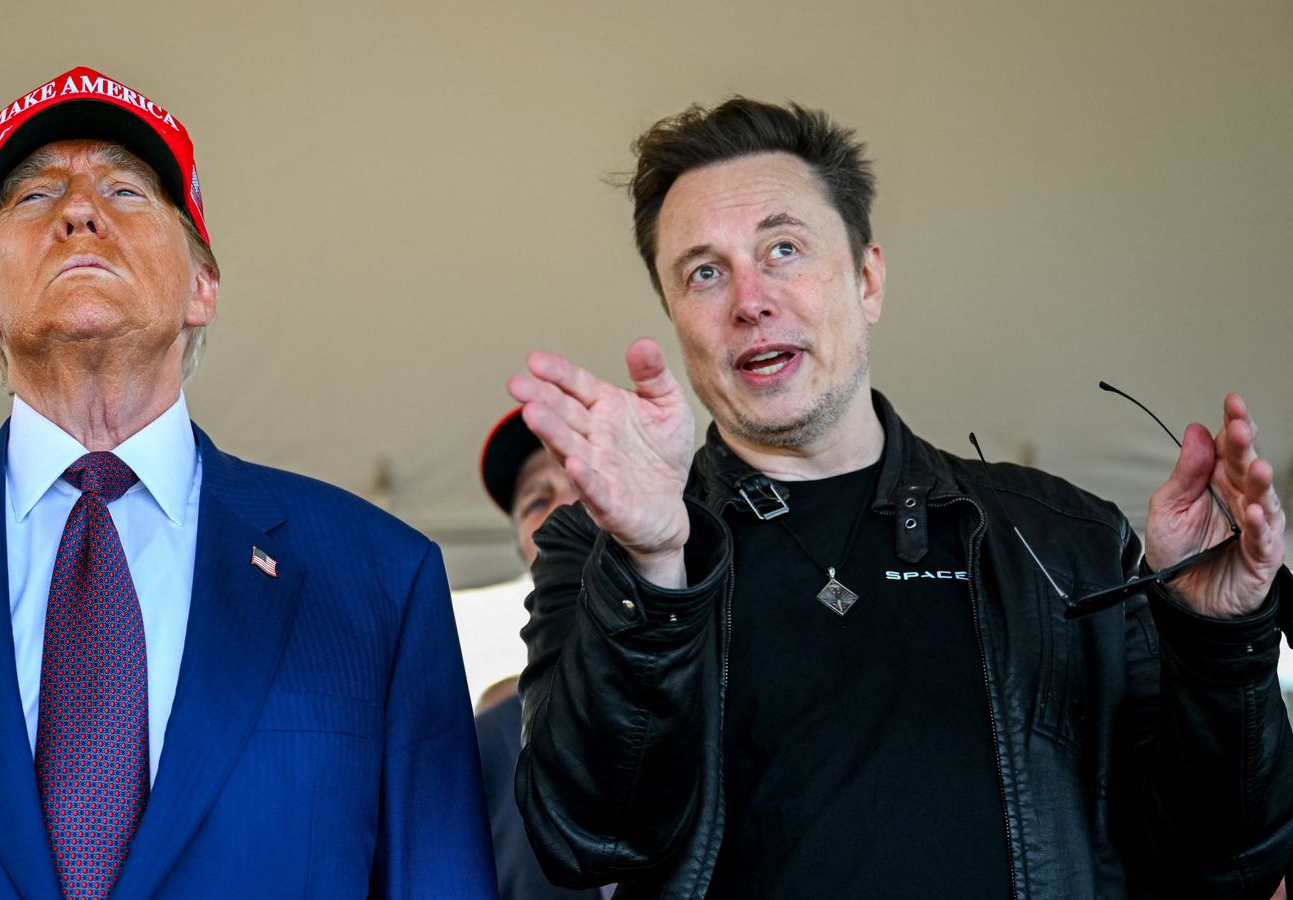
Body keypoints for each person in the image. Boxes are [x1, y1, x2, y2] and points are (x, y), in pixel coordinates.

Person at [0, 66, 495, 899]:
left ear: (203, 287)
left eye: (126, 189)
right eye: (35, 197)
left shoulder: (377, 579)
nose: (79, 210)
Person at [508, 98, 1293, 899]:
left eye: (783, 248)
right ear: (675, 315)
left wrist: (1218, 638)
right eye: (704, 272)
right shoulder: (602, 551)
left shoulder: (1067, 538)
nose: (749, 300)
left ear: (868, 279)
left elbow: (1222, 864)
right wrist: (649, 566)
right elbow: (588, 842)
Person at [475, 408, 606, 900]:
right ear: (521, 546)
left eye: (587, 484)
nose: (566, 511)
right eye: (537, 501)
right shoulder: (487, 744)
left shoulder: (727, 677)